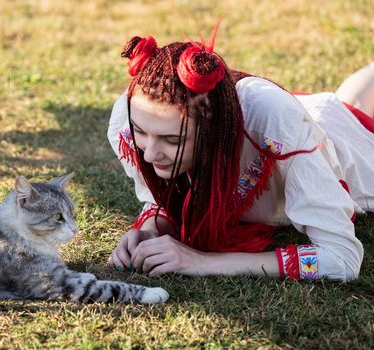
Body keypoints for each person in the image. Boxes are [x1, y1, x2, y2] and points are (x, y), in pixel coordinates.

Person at [107, 23, 374, 282]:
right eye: (141, 132)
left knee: (351, 105)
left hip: (354, 147)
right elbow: (168, 196)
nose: (150, 154)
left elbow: (341, 259)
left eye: (172, 140)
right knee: (349, 97)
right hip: (307, 114)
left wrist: (200, 261)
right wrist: (153, 227)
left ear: (213, 129)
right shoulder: (138, 111)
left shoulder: (276, 130)